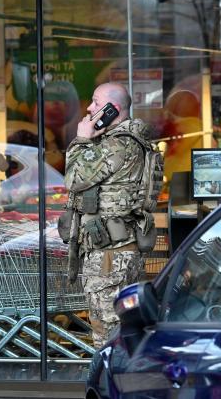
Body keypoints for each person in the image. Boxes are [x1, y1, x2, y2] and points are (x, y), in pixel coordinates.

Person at [62, 82, 154, 348]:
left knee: (107, 337)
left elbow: (74, 178)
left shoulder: (118, 145)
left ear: (112, 110)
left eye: (95, 102)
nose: (89, 109)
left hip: (109, 256)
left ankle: (110, 387)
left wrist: (81, 138)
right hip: (120, 252)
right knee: (123, 330)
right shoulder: (131, 141)